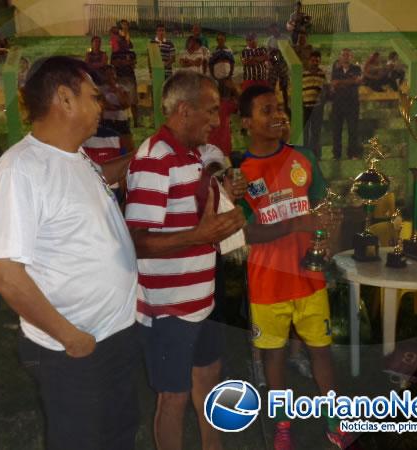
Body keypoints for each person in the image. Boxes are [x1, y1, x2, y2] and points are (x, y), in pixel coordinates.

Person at [0, 56, 139, 450]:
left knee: (118, 435)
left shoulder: (76, 157)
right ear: (64, 99)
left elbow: (83, 192)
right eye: (93, 97)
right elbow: (6, 277)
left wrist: (136, 161)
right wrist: (71, 338)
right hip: (75, 350)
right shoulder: (21, 168)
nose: (100, 106)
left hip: (114, 336)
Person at [125, 70, 246, 450]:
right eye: (210, 112)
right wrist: (200, 235)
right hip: (168, 311)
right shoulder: (154, 159)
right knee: (172, 399)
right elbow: (136, 241)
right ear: (183, 109)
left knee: (208, 380)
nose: (217, 120)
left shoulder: (192, 155)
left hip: (200, 301)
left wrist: (223, 194)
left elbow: (190, 213)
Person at [238, 85, 354, 450]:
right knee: (274, 356)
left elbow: (324, 212)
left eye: (281, 108)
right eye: (266, 109)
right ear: (246, 123)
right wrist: (295, 225)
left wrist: (326, 243)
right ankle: (282, 424)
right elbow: (247, 234)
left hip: (309, 279)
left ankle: (336, 420)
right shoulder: (240, 173)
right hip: (267, 283)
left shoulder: (303, 159)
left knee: (320, 350)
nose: (278, 115)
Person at [330, 48, 362, 160]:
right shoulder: (336, 70)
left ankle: (353, 154)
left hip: (352, 104)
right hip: (338, 104)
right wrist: (350, 82)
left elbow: (357, 81)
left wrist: (341, 82)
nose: (346, 57)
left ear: (351, 57)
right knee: (336, 130)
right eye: (343, 55)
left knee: (353, 129)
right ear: (340, 57)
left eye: (348, 55)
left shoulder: (356, 69)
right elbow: (334, 83)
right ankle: (336, 154)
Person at [99, 65, 134, 153]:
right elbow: (104, 105)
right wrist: (118, 107)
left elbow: (126, 104)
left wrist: (117, 91)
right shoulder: (100, 89)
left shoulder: (122, 88)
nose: (110, 77)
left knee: (128, 147)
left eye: (112, 74)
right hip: (107, 120)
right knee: (108, 148)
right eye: (107, 74)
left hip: (121, 120)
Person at [303, 50, 327, 159]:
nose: (315, 62)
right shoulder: (303, 74)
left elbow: (325, 89)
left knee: (316, 131)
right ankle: (305, 155)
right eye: (313, 60)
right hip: (304, 107)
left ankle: (316, 155)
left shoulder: (322, 74)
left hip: (317, 107)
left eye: (317, 61)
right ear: (309, 61)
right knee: (305, 132)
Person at [111, 41, 139, 128]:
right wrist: (126, 62)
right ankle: (121, 120)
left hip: (130, 78)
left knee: (133, 101)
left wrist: (122, 62)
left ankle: (135, 121)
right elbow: (114, 63)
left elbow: (133, 64)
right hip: (119, 78)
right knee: (120, 100)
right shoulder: (115, 53)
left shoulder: (131, 53)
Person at [208, 78, 239, 157]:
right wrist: (234, 88)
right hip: (223, 147)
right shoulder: (225, 105)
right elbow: (243, 103)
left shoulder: (202, 105)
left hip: (208, 148)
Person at [269, 47, 291, 116]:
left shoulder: (278, 57)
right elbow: (275, 60)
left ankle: (286, 106)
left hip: (280, 70)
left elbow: (276, 60)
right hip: (277, 71)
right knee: (272, 89)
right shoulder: (275, 55)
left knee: (284, 89)